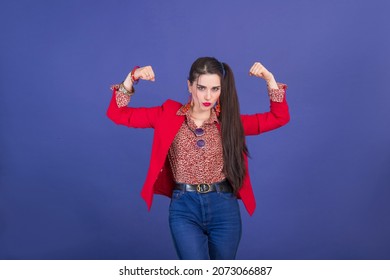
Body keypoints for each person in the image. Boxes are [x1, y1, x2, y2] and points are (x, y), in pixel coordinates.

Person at [106, 57, 290, 259]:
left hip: (224, 207)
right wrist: (132, 77)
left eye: (215, 89)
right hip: (184, 207)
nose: (208, 96)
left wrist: (270, 79)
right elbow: (118, 113)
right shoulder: (167, 114)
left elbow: (278, 118)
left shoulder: (230, 122)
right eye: (202, 88)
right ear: (190, 86)